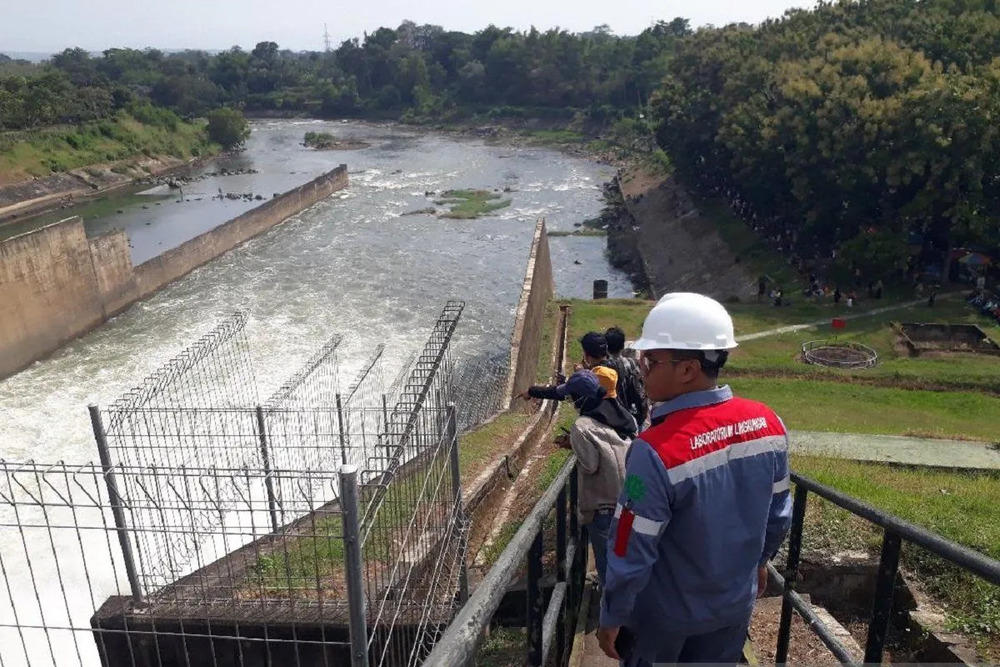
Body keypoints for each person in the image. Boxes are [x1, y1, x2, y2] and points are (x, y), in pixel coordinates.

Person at [597, 292, 792, 665]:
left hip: (664, 623)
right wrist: (761, 561)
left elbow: (629, 542)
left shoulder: (654, 450)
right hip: (733, 608)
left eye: (650, 360)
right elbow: (779, 514)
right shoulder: (768, 424)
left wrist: (614, 613)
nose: (640, 367)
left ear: (688, 369)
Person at [519, 370, 630, 585]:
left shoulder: (581, 426)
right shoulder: (614, 414)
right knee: (624, 556)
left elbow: (590, 465)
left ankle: (613, 614)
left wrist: (574, 445)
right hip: (626, 501)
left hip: (603, 509)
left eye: (571, 397)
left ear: (580, 399)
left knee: (607, 566)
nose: (569, 400)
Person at [604, 327, 649, 429]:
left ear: (606, 346)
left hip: (613, 419)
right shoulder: (632, 363)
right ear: (622, 345)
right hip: (633, 416)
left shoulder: (604, 367)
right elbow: (639, 391)